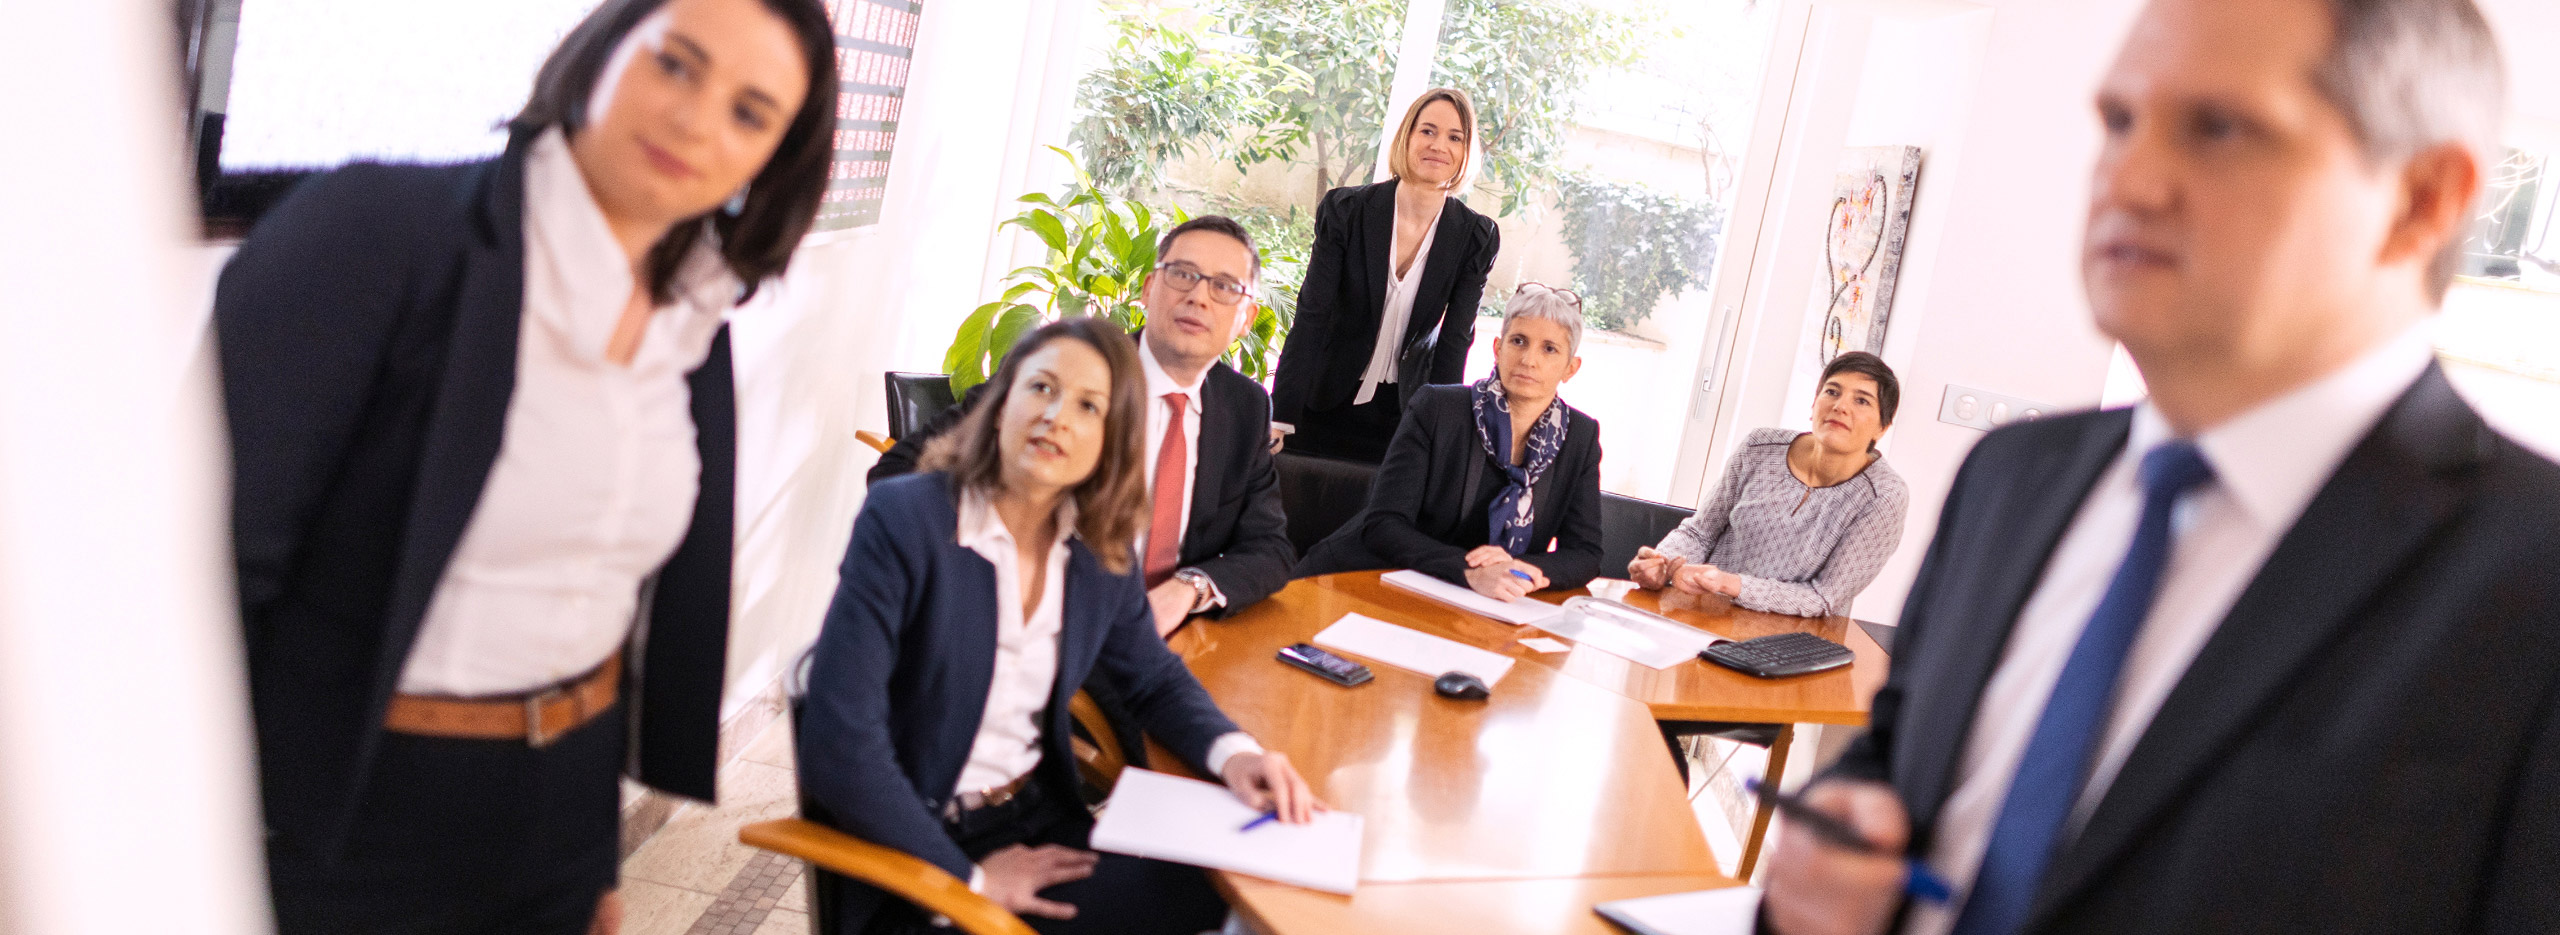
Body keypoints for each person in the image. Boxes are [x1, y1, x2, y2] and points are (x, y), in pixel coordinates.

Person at [1761, 1, 2560, 933]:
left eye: (2218, 127)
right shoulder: (2009, 478)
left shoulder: (2532, 585)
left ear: (2421, 198)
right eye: (2119, 121)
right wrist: (1824, 871)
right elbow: (1891, 764)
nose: (2128, 180)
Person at [213, 0, 838, 931]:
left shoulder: (691, 319)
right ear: (602, 49)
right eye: (675, 64)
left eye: (750, 113)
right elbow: (196, 577)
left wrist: (592, 855)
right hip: (348, 814)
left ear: (775, 158)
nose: (695, 121)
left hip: (555, 813)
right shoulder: (376, 231)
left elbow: (597, 600)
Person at [800, 318, 1320, 935]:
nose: (1056, 417)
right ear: (1000, 406)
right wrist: (971, 882)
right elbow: (840, 744)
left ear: (1113, 441)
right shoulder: (907, 520)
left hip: (1037, 817)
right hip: (923, 847)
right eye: (1041, 388)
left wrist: (1236, 756)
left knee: (1236, 891)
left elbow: (1151, 678)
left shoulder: (1097, 546)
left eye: (1088, 406)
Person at [869, 216, 1296, 636]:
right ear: (1149, 289)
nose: (1199, 297)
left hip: (1165, 641)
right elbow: (899, 471)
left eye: (1224, 287)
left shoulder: (1245, 406)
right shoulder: (1063, 369)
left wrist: (1187, 589)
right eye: (1183, 274)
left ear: (1246, 317)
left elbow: (1270, 547)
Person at [1294, 284, 1604, 599]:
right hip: (1359, 582)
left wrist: (1517, 569)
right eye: (1518, 341)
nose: (1528, 359)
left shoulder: (1580, 437)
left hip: (1475, 601)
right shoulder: (1437, 408)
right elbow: (1384, 525)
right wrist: (1471, 571)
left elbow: (1585, 553)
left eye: (1549, 348)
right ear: (1498, 348)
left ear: (1571, 368)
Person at [1268, 87, 1501, 462]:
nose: (1438, 145)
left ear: (1466, 151)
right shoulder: (1346, 211)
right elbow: (1312, 315)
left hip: (1404, 417)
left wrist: (1438, 435)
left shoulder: (1475, 237)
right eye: (1427, 131)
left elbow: (1454, 342)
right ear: (1407, 136)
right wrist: (1280, 416)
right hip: (1323, 400)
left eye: (1455, 137)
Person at [1629, 351, 1908, 617]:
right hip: (1700, 610)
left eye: (1862, 401)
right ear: (1813, 405)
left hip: (1791, 638)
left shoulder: (1884, 497)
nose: (1840, 406)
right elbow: (1699, 533)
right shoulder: (1759, 446)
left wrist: (1730, 584)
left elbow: (1823, 597)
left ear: (1882, 428)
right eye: (1832, 392)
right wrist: (1662, 562)